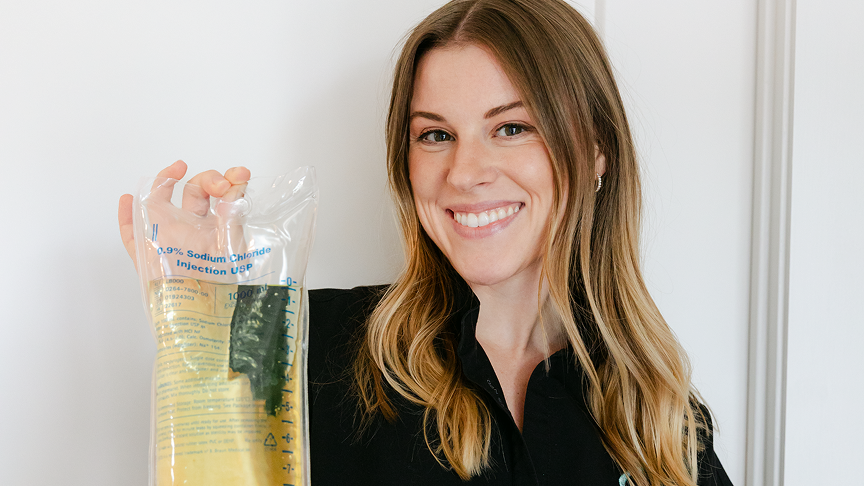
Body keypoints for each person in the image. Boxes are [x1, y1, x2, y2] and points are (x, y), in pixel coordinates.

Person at [119, 0, 733, 484]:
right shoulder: (307, 348)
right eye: (435, 135)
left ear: (596, 150)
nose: (465, 173)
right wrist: (206, 316)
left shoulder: (655, 415)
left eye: (512, 127)